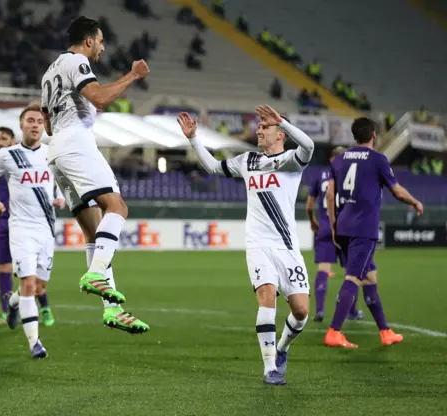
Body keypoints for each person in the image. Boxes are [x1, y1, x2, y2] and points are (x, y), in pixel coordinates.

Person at [178, 105, 315, 386]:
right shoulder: (248, 160)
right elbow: (214, 167)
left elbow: (309, 145)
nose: (259, 130)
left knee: (301, 312)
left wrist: (283, 122)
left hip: (287, 247)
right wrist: (193, 139)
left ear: (281, 135)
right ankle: (269, 368)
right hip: (258, 244)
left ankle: (281, 349)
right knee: (266, 296)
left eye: (266, 127)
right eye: (260, 126)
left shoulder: (291, 160)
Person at [40, 16, 149, 334]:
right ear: (88, 41)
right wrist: (132, 75)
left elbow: (47, 124)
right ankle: (97, 273)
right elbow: (100, 97)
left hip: (56, 151)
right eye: (100, 41)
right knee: (117, 208)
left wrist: (83, 108)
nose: (102, 46)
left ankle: (112, 309)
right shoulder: (77, 62)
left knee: (93, 231)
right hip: (77, 145)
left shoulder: (51, 70)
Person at [324, 117, 423, 348]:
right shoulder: (378, 159)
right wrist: (415, 201)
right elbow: (397, 192)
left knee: (370, 276)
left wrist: (334, 225)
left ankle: (385, 331)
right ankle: (334, 331)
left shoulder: (339, 159)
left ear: (354, 135)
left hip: (344, 225)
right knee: (354, 277)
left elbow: (331, 195)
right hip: (363, 228)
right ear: (374, 136)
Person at [0, 104, 65, 359]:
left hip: (47, 228)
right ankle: (34, 343)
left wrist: (60, 197)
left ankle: (13, 303)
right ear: (22, 125)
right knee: (27, 282)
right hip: (21, 228)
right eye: (30, 120)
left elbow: (60, 180)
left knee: (39, 287)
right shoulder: (7, 155)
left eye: (39, 121)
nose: (35, 124)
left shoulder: (52, 154)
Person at [306, 147, 364, 322]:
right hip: (347, 226)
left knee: (323, 268)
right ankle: (352, 311)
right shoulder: (351, 176)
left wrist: (313, 221)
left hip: (324, 225)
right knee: (351, 270)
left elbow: (309, 206)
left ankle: (320, 311)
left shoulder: (319, 175)